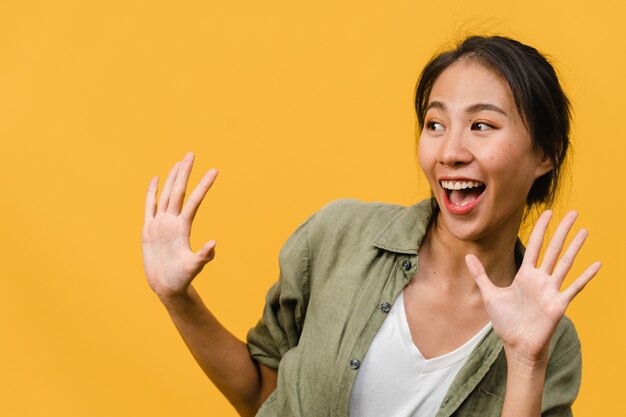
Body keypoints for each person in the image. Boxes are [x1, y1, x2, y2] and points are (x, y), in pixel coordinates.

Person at [141, 36, 601, 417]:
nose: (450, 151)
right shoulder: (337, 238)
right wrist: (178, 299)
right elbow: (261, 393)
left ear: (546, 153)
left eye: (481, 125)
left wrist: (524, 363)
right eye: (435, 123)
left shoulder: (551, 344)